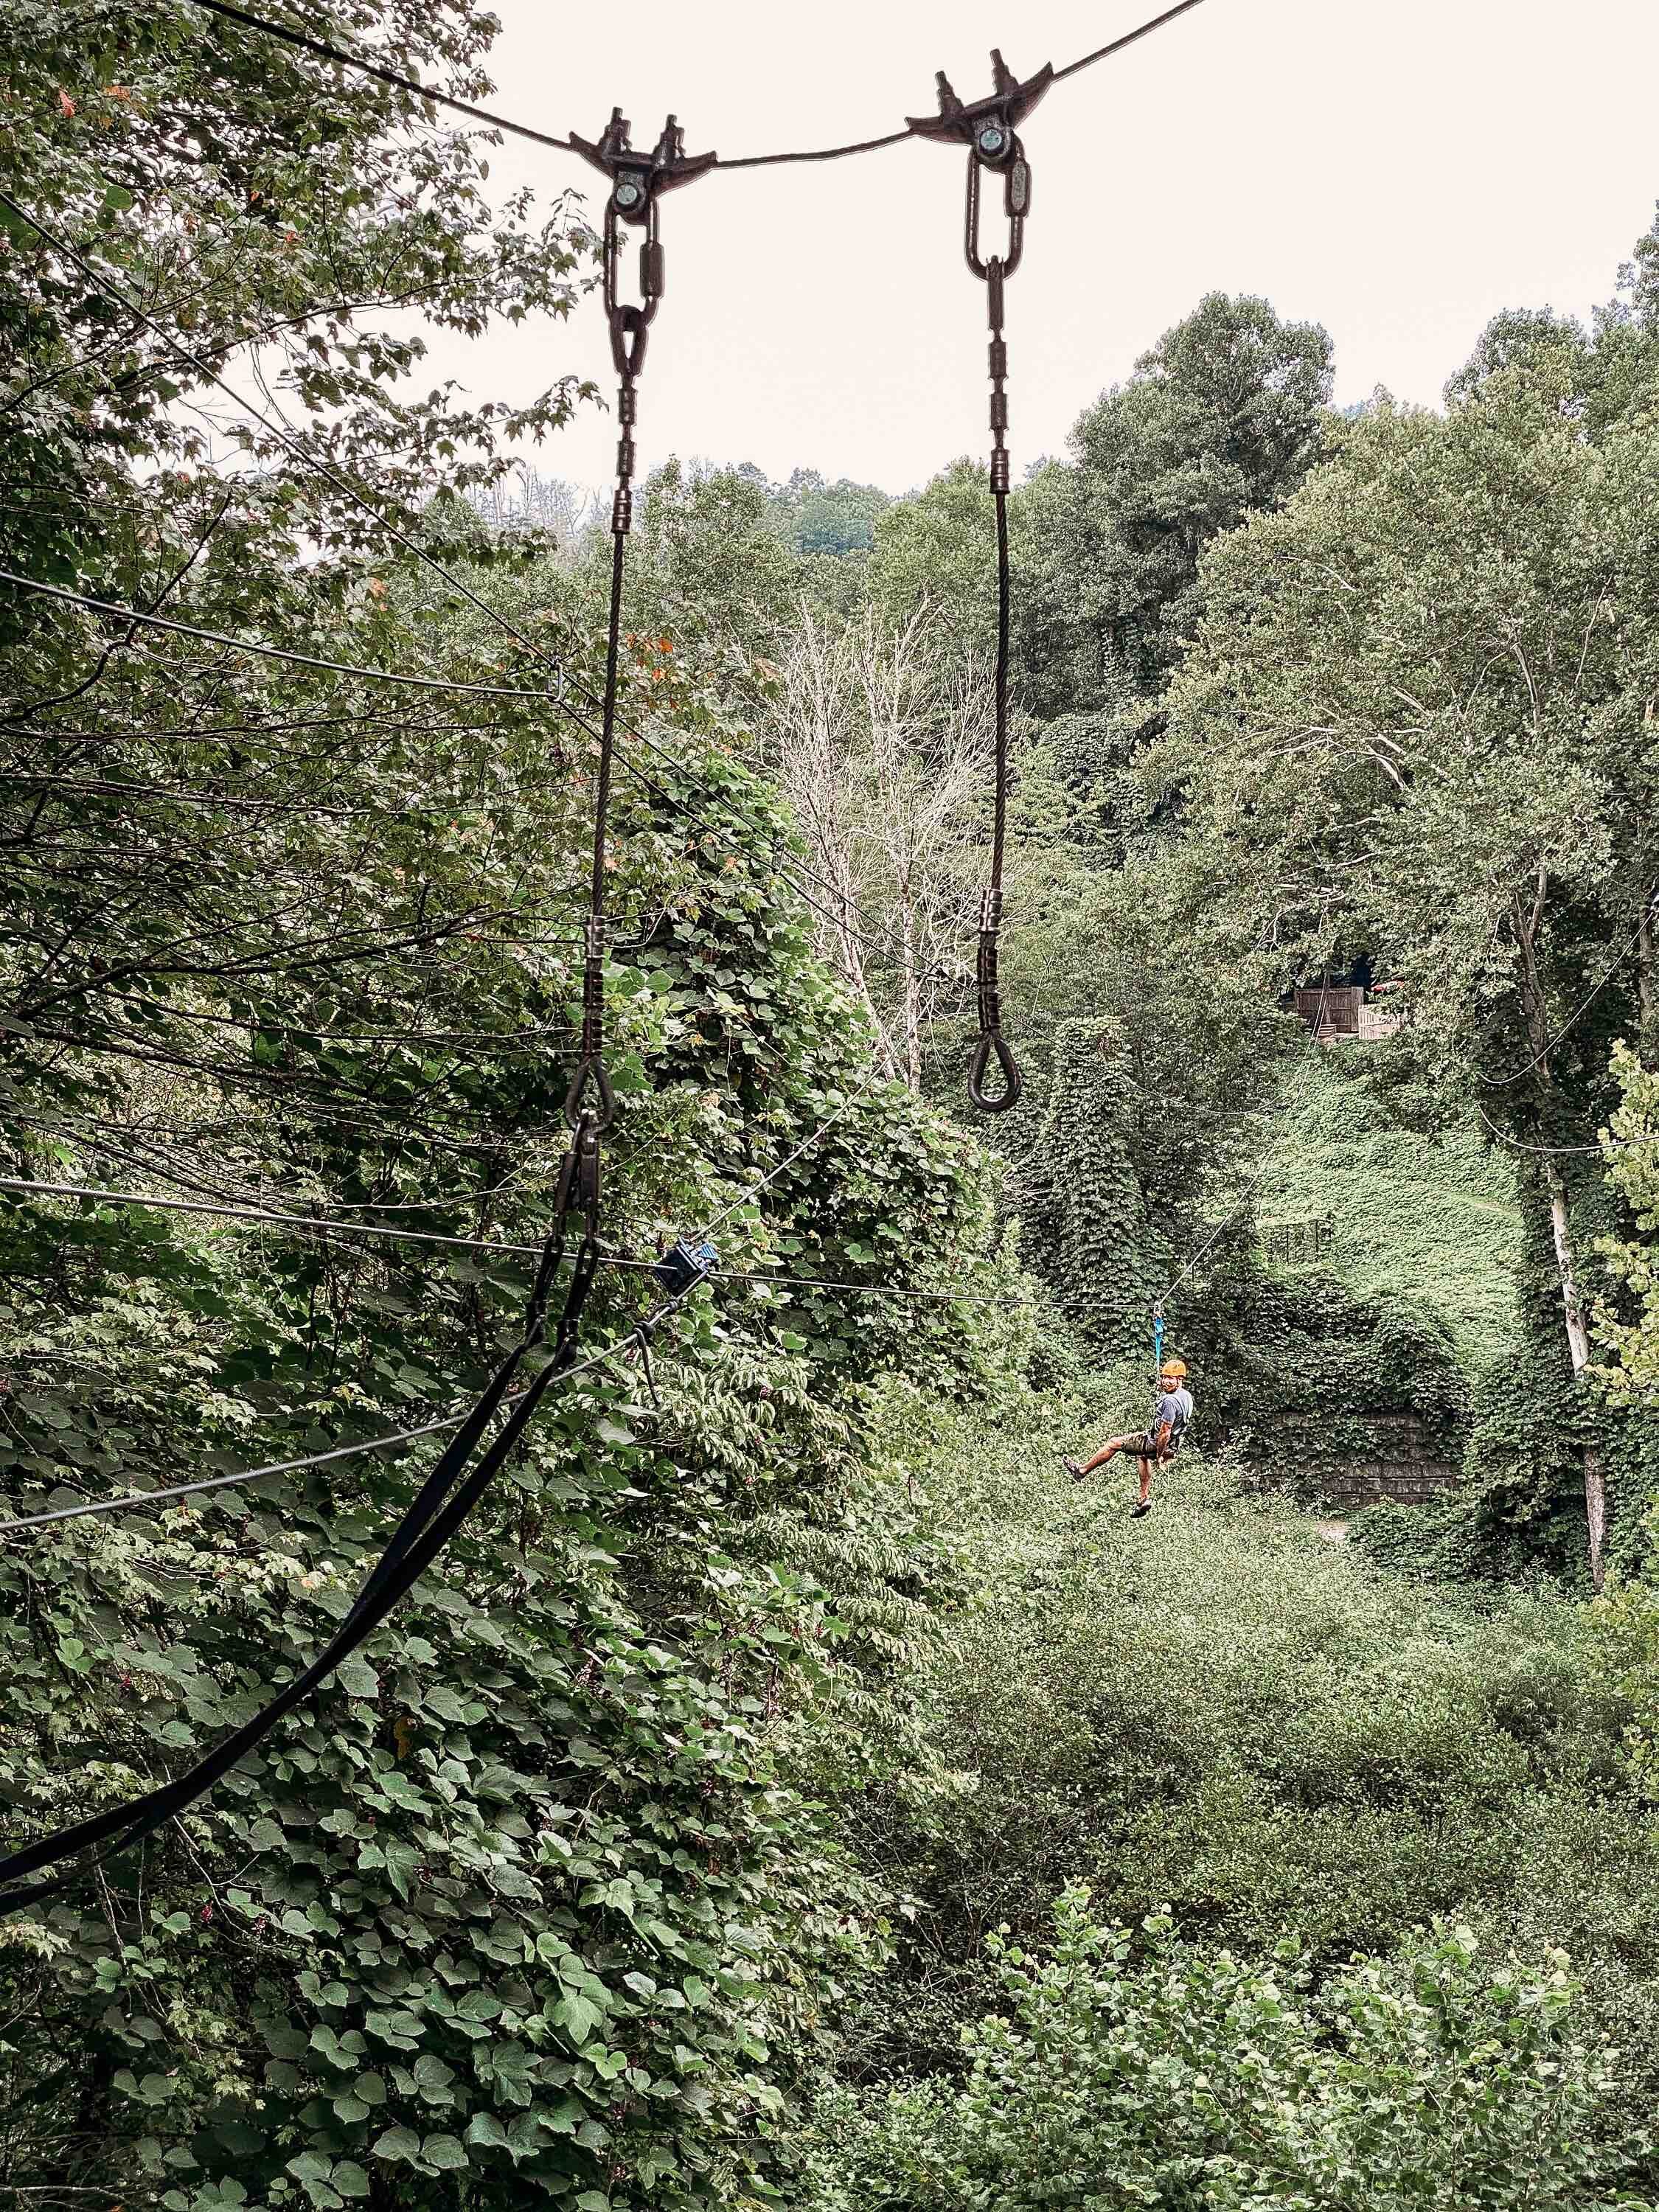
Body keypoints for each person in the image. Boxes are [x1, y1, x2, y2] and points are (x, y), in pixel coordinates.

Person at [1063, 1359, 1192, 1518]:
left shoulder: (1170, 1401)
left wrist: (1159, 1456)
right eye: (1164, 1377)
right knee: (1142, 1456)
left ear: (1180, 1380)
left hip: (1158, 1443)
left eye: (1170, 1378)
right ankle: (1143, 1499)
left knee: (1113, 1443)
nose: (1166, 1381)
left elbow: (1165, 1432)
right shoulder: (1186, 1397)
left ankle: (1081, 1471)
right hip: (1174, 1445)